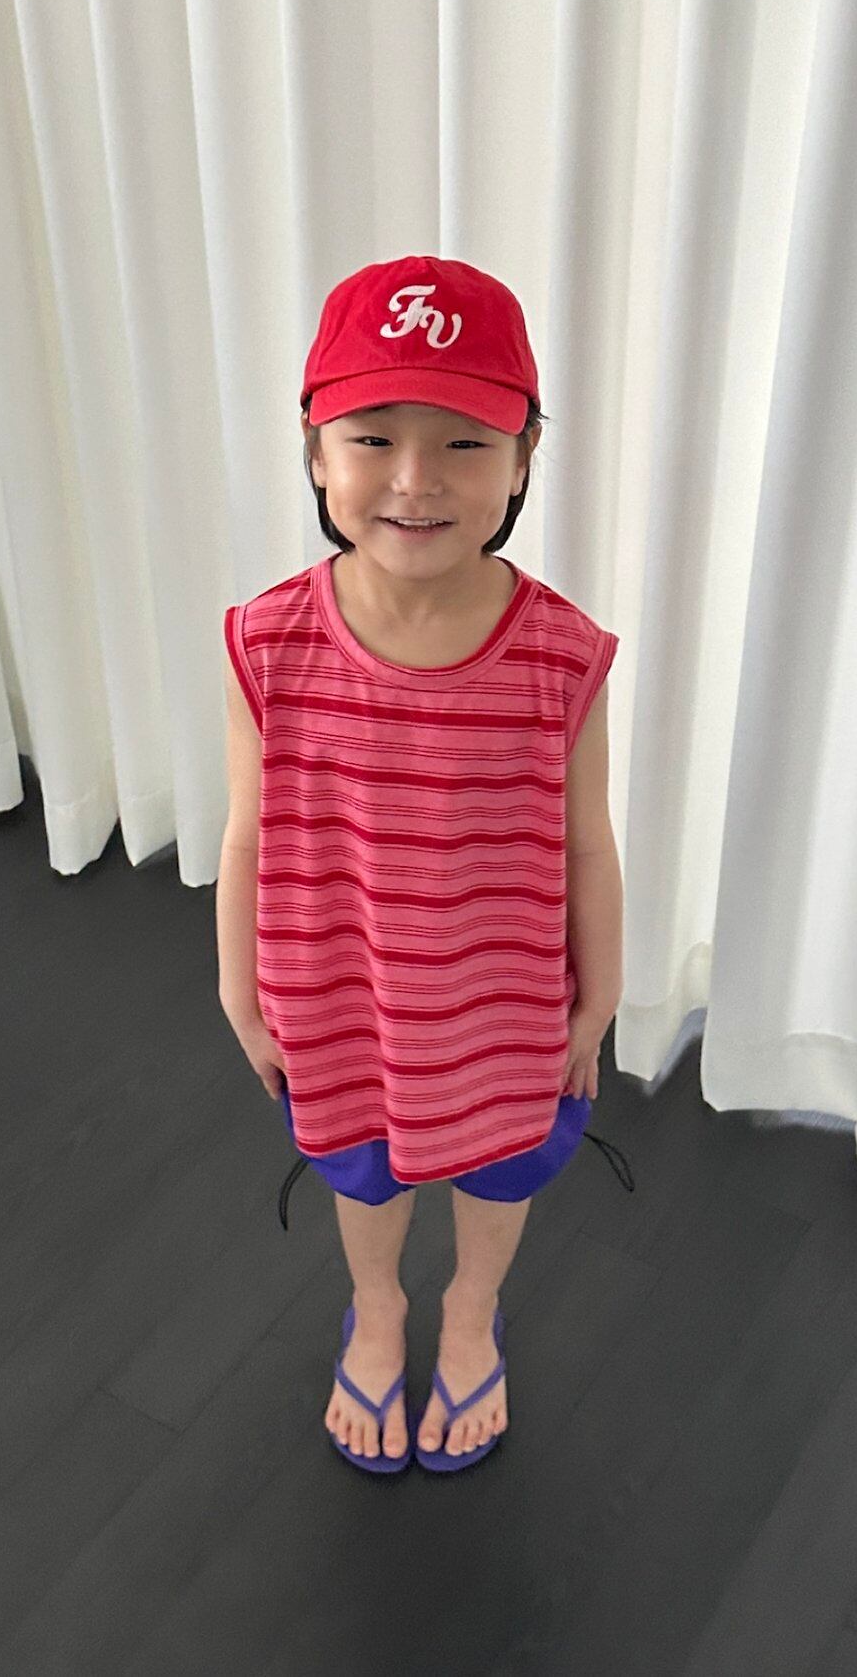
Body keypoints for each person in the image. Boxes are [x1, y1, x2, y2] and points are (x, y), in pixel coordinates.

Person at [218, 254, 629, 1475]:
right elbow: (246, 832)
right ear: (314, 450)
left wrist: (597, 998)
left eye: (462, 442)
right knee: (365, 1166)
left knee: (499, 1168)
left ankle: (468, 1314)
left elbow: (586, 839)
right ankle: (380, 1307)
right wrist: (238, 988)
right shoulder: (265, 644)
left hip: (502, 999)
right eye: (373, 437)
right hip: (339, 990)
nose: (413, 478)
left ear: (522, 458)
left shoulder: (563, 654)